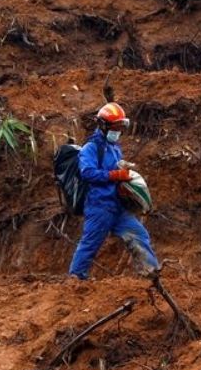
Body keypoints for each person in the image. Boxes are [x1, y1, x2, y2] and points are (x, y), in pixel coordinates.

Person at [68, 102, 160, 280]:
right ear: (103, 125)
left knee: (139, 235)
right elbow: (87, 172)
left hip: (118, 207)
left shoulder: (114, 148)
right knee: (90, 244)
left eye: (120, 126)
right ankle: (76, 280)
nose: (118, 131)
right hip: (99, 206)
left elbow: (116, 172)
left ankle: (151, 275)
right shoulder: (91, 148)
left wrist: (124, 177)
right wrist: (115, 175)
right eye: (115, 127)